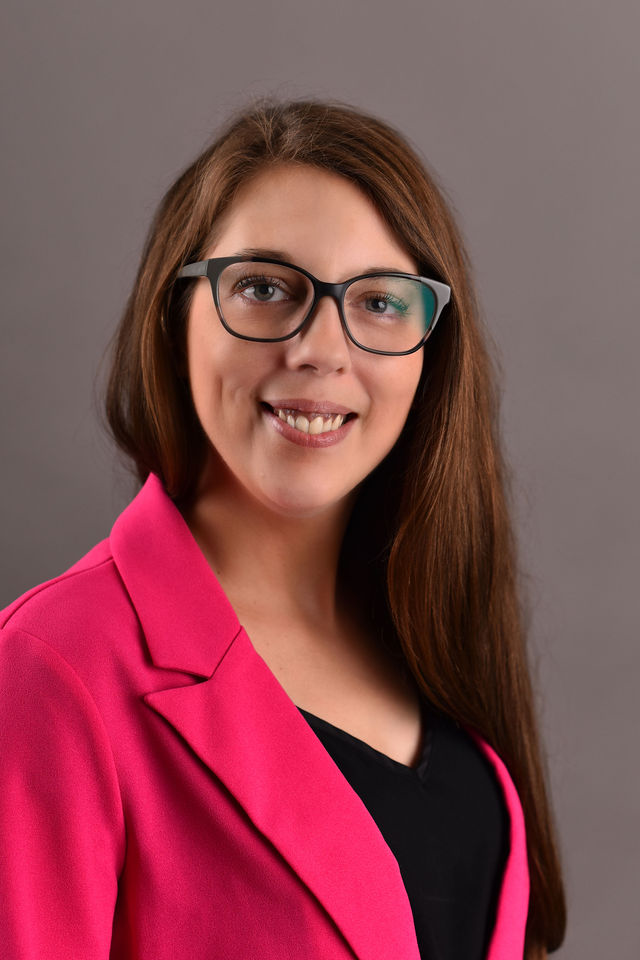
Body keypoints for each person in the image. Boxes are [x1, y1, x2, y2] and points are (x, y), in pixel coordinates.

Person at [0, 98, 566, 960]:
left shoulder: (433, 640)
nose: (318, 350)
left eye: (379, 302)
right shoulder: (51, 669)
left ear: (431, 352)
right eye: (263, 288)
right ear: (171, 313)